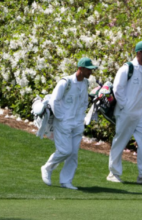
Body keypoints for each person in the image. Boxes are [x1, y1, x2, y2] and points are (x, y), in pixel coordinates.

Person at [41, 57, 98, 190]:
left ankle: (66, 181)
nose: (91, 72)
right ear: (81, 68)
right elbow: (54, 100)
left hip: (77, 123)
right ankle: (47, 167)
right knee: (65, 150)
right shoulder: (65, 82)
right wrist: (61, 117)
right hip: (64, 122)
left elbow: (84, 101)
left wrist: (81, 118)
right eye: (88, 70)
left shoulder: (85, 83)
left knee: (73, 154)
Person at [107, 41, 142, 184]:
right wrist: (125, 106)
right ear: (138, 53)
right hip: (126, 113)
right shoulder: (127, 68)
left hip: (141, 113)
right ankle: (113, 173)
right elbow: (118, 89)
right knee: (120, 141)